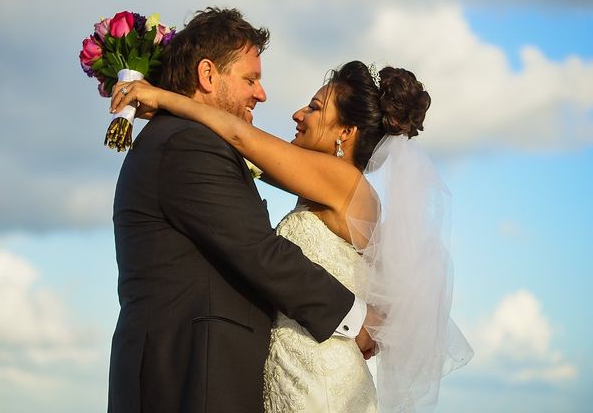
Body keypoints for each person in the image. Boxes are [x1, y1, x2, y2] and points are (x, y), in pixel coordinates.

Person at [111, 60, 473, 412]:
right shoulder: (325, 184)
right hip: (293, 370)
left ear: (345, 133)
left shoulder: (343, 181)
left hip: (321, 378)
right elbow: (241, 151)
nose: (298, 114)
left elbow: (240, 137)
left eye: (314, 108)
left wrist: (161, 97)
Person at [107, 8, 376, 413]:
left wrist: (165, 99)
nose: (262, 94)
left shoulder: (191, 138)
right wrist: (355, 318)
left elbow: (247, 147)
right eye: (250, 79)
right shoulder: (187, 143)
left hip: (238, 375)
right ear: (208, 74)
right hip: (192, 377)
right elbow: (258, 250)